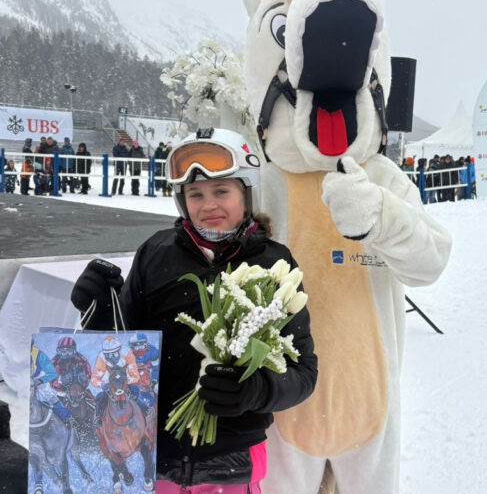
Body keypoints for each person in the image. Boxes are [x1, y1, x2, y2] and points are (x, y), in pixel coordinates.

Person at [70, 128, 317, 493]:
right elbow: (125, 352)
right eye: (195, 194)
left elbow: (303, 373)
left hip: (234, 461)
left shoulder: (274, 263)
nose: (208, 205)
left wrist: (255, 390)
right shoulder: (156, 253)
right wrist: (103, 314)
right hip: (156, 457)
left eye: (222, 191)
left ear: (246, 193)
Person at [90, 335, 150, 427]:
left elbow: (134, 375)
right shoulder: (101, 358)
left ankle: (144, 409)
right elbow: (94, 378)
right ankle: (98, 417)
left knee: (135, 390)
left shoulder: (128, 354)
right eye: (108, 355)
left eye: (114, 354)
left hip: (124, 382)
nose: (111, 357)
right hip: (110, 383)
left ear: (119, 350)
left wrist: (124, 382)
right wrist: (103, 385)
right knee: (99, 397)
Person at [31, 344, 75, 428]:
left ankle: (67, 418)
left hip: (38, 382)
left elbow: (52, 373)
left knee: (48, 397)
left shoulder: (38, 354)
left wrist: (40, 380)